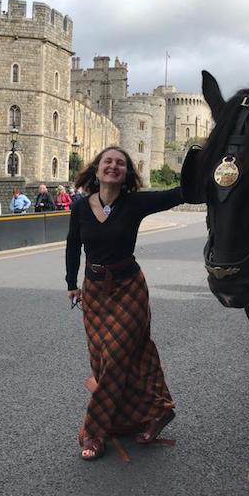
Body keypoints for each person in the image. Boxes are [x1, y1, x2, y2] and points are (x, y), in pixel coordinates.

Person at [65, 146, 184, 461]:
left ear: (127, 172)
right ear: (97, 169)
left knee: (116, 355)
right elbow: (73, 245)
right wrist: (70, 284)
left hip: (129, 287)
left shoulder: (134, 203)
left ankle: (95, 431)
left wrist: (209, 168)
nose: (114, 166)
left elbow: (179, 194)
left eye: (121, 163)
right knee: (105, 359)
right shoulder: (80, 207)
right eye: (108, 161)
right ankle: (157, 410)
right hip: (93, 291)